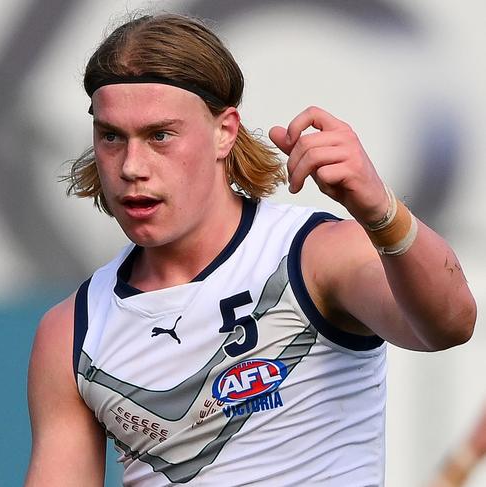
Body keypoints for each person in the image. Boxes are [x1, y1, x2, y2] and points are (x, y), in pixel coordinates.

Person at [24, 12, 476, 486]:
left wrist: (383, 211)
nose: (132, 166)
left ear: (225, 131)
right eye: (112, 136)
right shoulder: (71, 332)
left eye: (160, 135)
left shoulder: (314, 255)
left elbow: (449, 323)